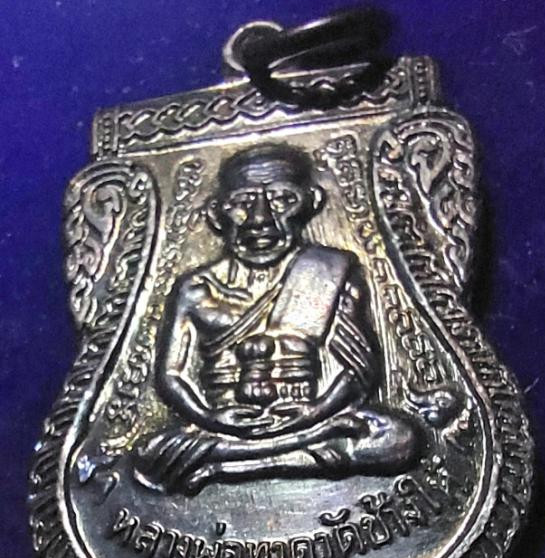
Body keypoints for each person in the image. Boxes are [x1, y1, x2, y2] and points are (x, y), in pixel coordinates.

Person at [133, 143, 420, 494]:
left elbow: (358, 372)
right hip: (227, 422)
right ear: (216, 214)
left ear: (312, 202)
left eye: (282, 200)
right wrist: (211, 418)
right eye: (242, 203)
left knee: (398, 438)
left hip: (309, 417)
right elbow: (171, 376)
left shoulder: (328, 270)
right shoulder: (195, 288)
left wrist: (314, 412)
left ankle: (230, 466)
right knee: (147, 456)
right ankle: (281, 454)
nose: (260, 219)